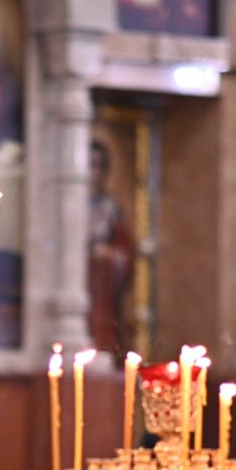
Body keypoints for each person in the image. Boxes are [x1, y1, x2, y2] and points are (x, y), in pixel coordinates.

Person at [87, 139, 134, 361]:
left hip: (101, 291)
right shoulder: (66, 205)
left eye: (99, 166)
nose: (93, 173)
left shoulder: (109, 208)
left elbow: (124, 253)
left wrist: (109, 255)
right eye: (90, 165)